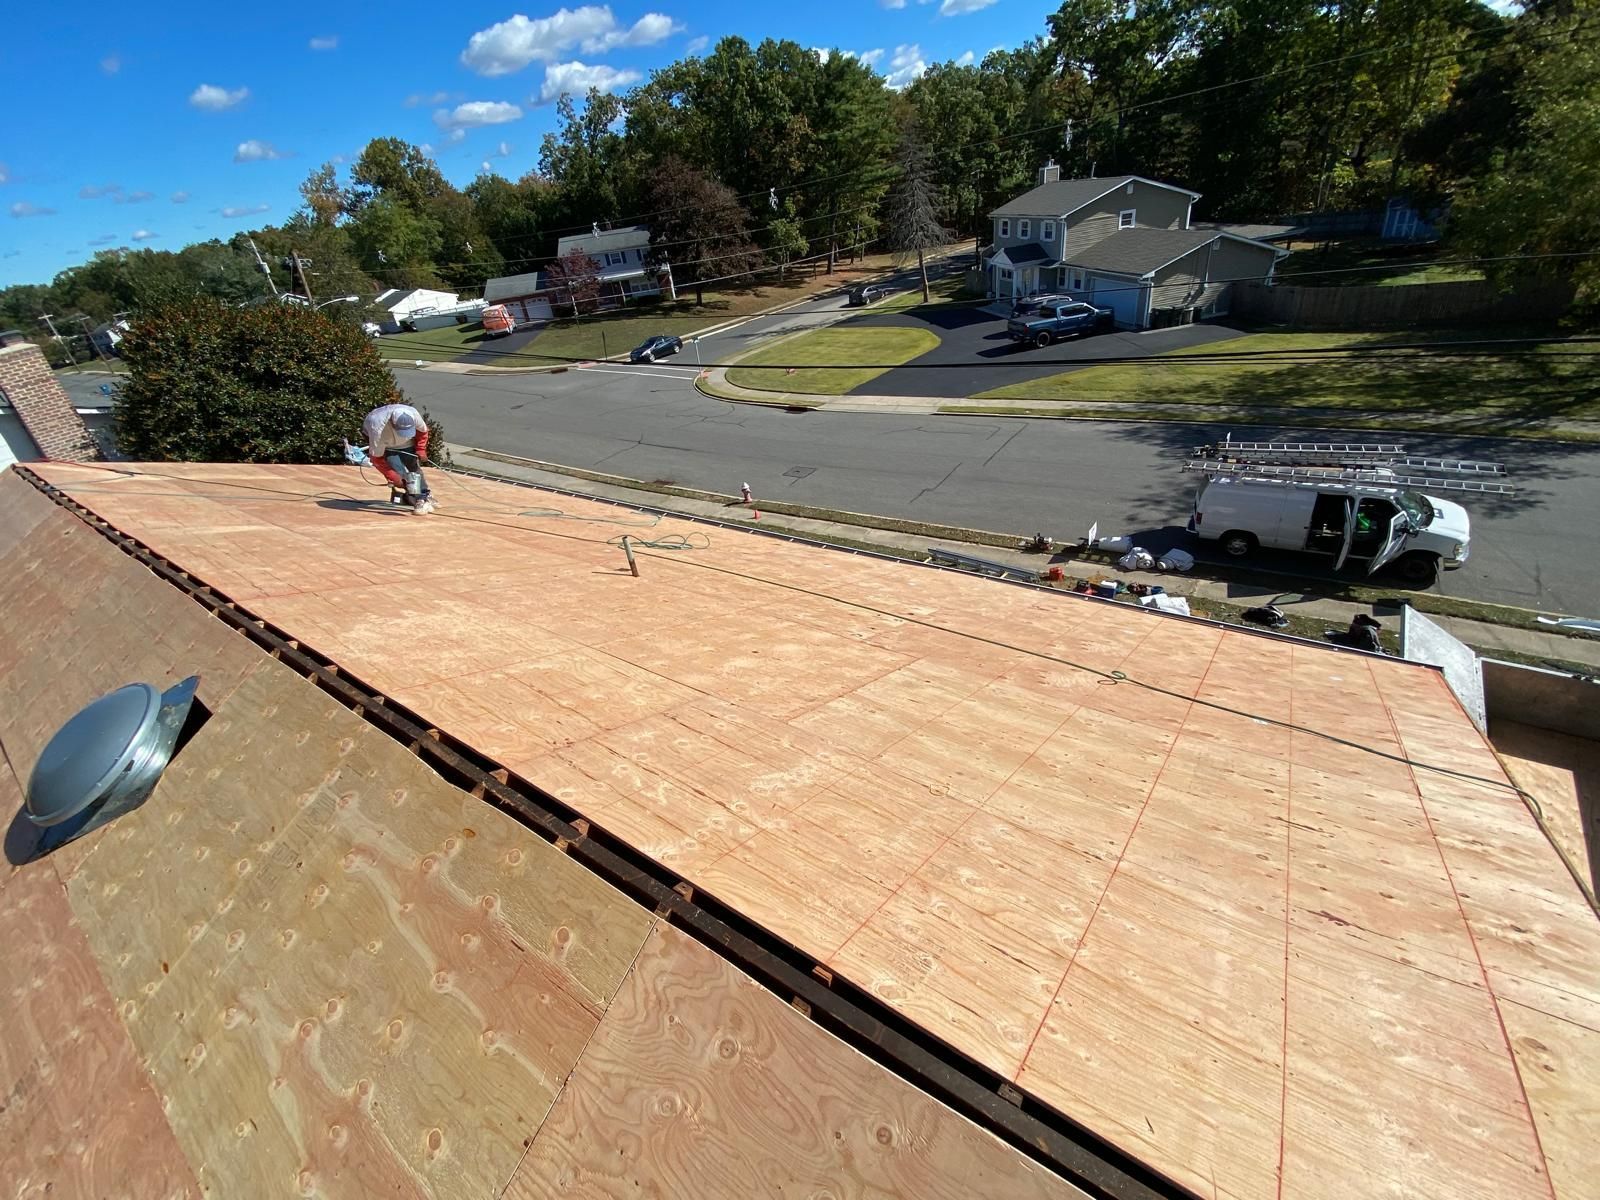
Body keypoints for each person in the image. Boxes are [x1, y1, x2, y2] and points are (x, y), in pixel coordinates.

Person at [363, 402, 434, 514]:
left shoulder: (413, 415)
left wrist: (421, 449)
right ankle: (416, 498)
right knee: (398, 471)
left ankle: (424, 496)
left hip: (407, 443)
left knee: (413, 469)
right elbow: (376, 458)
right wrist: (391, 475)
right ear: (392, 423)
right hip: (387, 444)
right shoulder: (377, 429)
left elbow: (423, 432)